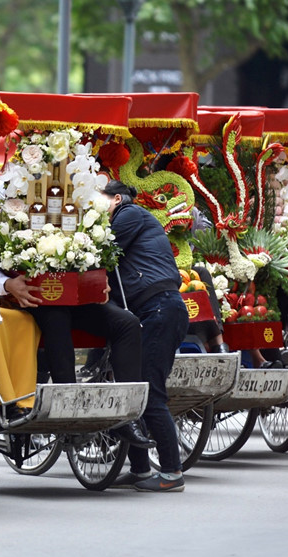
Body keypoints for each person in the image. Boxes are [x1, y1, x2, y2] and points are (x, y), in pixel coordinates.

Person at [0, 260, 152, 448]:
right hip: (32, 299)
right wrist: (7, 284)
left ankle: (127, 417)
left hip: (73, 297)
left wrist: (99, 282)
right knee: (56, 316)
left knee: (127, 323)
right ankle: (69, 408)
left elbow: (94, 258)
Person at [104, 180, 189, 493]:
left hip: (160, 309)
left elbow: (102, 249)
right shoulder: (130, 218)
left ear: (115, 198)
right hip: (153, 310)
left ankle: (172, 472)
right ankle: (140, 469)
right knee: (135, 390)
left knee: (151, 393)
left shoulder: (129, 213)